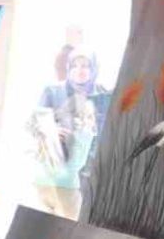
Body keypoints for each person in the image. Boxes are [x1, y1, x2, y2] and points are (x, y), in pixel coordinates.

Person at [27, 41, 109, 219]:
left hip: (90, 174)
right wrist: (51, 130)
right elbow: (33, 125)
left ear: (94, 68)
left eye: (85, 66)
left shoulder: (104, 96)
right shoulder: (52, 91)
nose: (80, 70)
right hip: (54, 171)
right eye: (75, 65)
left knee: (78, 224)